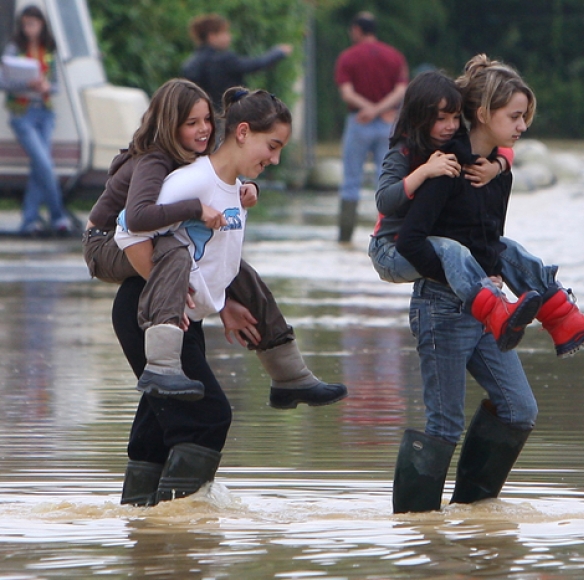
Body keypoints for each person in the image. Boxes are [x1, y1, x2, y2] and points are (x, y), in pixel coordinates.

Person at [84, 78, 346, 407]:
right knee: (174, 253)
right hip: (104, 242)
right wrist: (177, 290)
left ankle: (289, 374)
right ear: (169, 124)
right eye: (191, 123)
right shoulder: (156, 159)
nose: (204, 129)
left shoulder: (196, 160)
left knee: (238, 269)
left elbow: (214, 229)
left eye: (207, 119)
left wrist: (246, 189)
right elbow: (135, 222)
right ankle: (162, 366)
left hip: (141, 238)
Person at [113, 87, 296, 507]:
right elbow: (129, 228)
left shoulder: (232, 186)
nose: (275, 159)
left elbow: (210, 256)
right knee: (208, 417)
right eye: (273, 146)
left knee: (160, 428)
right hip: (151, 309)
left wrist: (221, 303)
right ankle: (180, 532)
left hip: (184, 315)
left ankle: (147, 536)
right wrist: (167, 299)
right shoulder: (192, 180)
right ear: (244, 132)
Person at [370, 70, 584, 356]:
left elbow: (500, 148)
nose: (451, 126)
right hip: (390, 250)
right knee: (451, 249)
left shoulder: (460, 147)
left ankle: (562, 317)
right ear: (418, 118)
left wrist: (498, 166)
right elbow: (384, 203)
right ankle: (493, 309)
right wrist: (424, 171)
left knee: (507, 249)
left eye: (454, 118)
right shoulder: (409, 154)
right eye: (441, 119)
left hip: (423, 244)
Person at [391, 56, 547, 514]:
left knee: (520, 410)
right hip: (441, 308)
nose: (521, 126)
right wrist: (462, 281)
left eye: (524, 118)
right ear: (484, 114)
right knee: (444, 425)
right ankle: (416, 527)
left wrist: (490, 273)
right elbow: (409, 242)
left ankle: (472, 513)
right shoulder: (446, 168)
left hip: (485, 308)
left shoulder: (500, 171)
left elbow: (488, 238)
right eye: (514, 117)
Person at [333, 11, 408, 242]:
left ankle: (345, 238)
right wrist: (379, 109)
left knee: (350, 181)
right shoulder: (394, 56)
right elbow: (401, 90)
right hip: (389, 122)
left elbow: (347, 93)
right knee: (386, 180)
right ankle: (387, 236)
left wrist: (368, 109)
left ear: (357, 30)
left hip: (358, 121)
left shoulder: (347, 57)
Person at [0, 5, 72, 236]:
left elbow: (58, 85)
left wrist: (46, 86)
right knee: (44, 164)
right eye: (26, 24)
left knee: (38, 168)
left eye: (33, 24)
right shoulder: (14, 49)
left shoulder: (48, 49)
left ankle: (29, 220)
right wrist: (26, 84)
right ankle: (58, 215)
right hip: (23, 112)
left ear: (42, 25)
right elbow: (4, 81)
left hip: (45, 112)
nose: (29, 29)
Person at [181, 13, 291, 110]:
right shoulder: (224, 59)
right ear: (212, 37)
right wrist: (278, 52)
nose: (229, 37)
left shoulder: (190, 64)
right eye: (225, 33)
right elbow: (256, 64)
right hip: (226, 117)